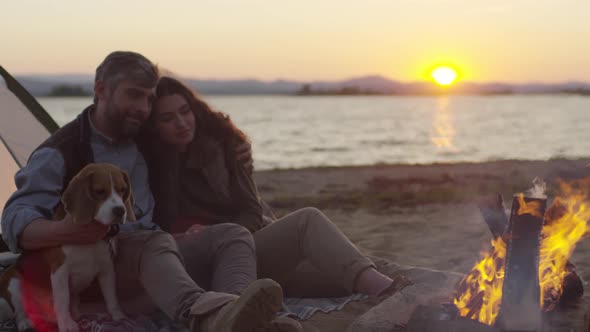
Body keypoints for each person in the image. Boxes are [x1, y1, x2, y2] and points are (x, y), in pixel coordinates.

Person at [1, 51, 302, 332]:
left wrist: (235, 145)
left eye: (148, 99)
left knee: (231, 234)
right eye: (134, 95)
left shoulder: (143, 137)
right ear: (101, 89)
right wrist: (68, 230)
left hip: (157, 250)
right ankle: (204, 316)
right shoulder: (62, 150)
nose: (143, 108)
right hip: (95, 266)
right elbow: (15, 220)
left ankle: (237, 315)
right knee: (154, 241)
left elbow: (192, 127)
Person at [142, 76, 410, 302]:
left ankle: (409, 288)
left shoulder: (225, 144)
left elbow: (251, 211)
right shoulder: (148, 163)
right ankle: (387, 291)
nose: (181, 123)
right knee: (307, 221)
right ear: (153, 126)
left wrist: (222, 232)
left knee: (349, 269)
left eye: (185, 111)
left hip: (250, 248)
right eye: (167, 118)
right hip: (202, 263)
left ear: (195, 109)